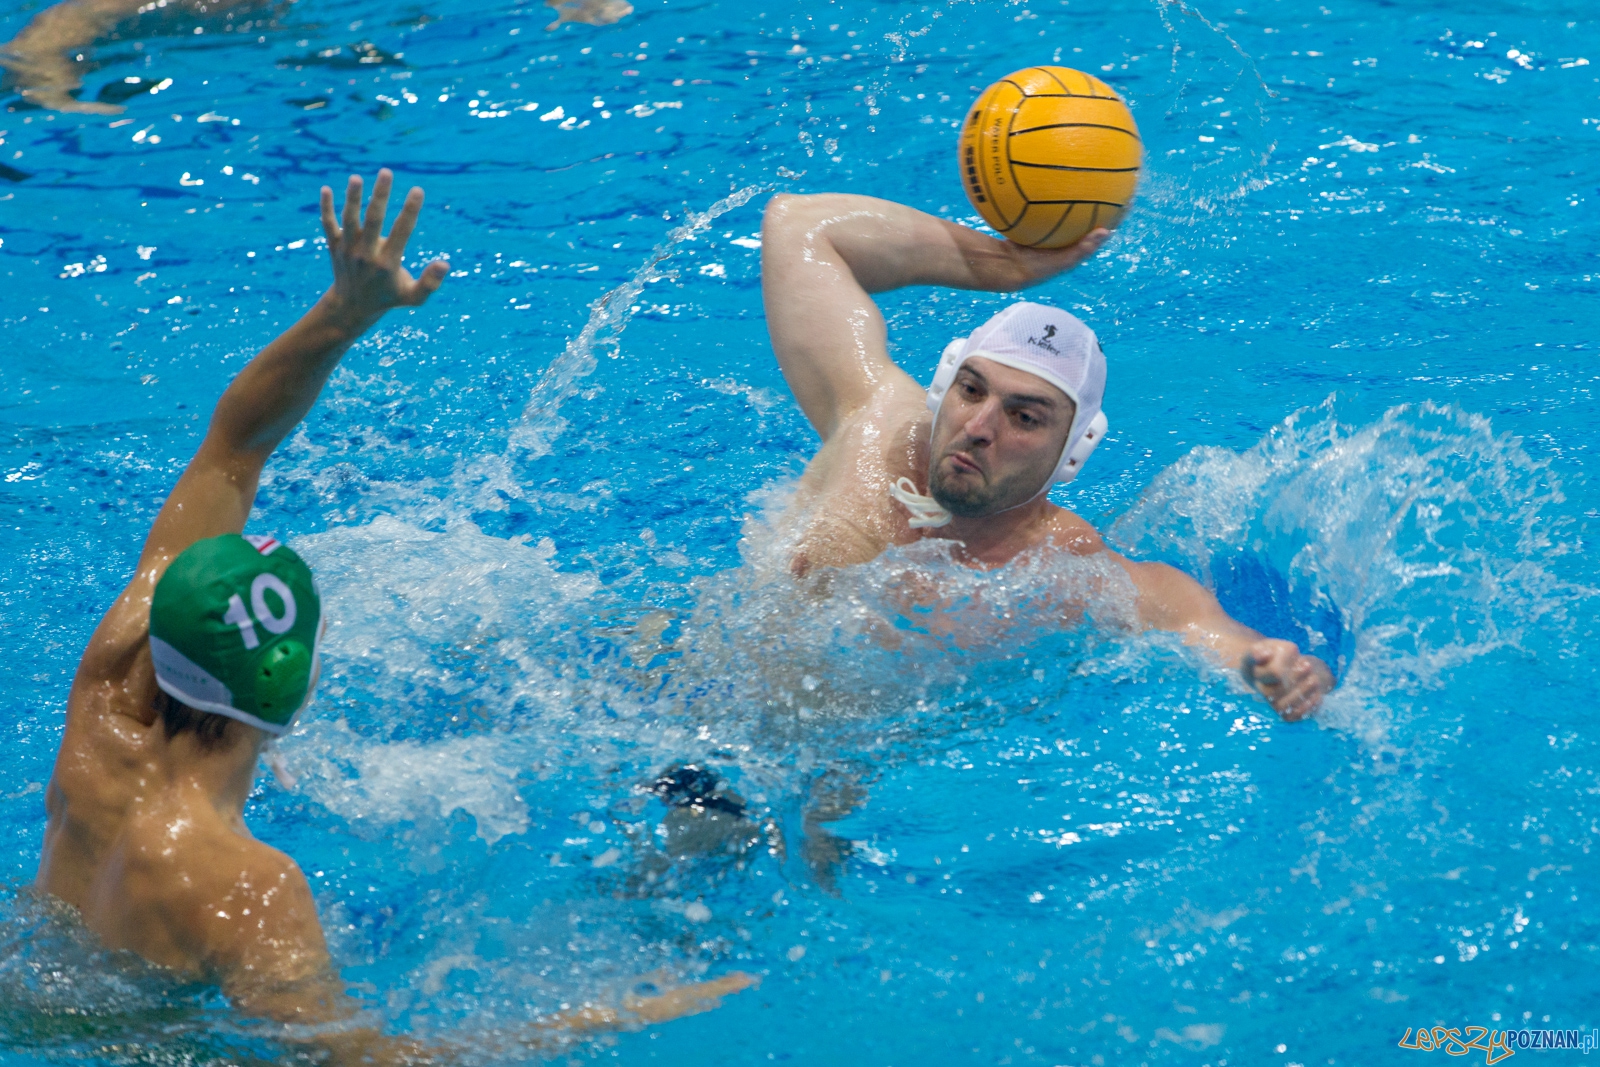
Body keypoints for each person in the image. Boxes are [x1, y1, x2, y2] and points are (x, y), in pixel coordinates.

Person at [36, 168, 751, 1062]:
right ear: (290, 691)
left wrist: (343, 313)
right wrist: (615, 1014)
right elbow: (366, 1059)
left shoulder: (104, 706)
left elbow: (229, 455)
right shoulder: (252, 889)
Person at [759, 194, 1335, 720]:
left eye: (1024, 417)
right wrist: (1006, 267)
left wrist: (1284, 674)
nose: (979, 427)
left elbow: (1205, 631)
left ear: (1073, 452)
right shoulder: (874, 425)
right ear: (942, 387)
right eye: (971, 390)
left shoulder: (1071, 570)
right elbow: (799, 226)